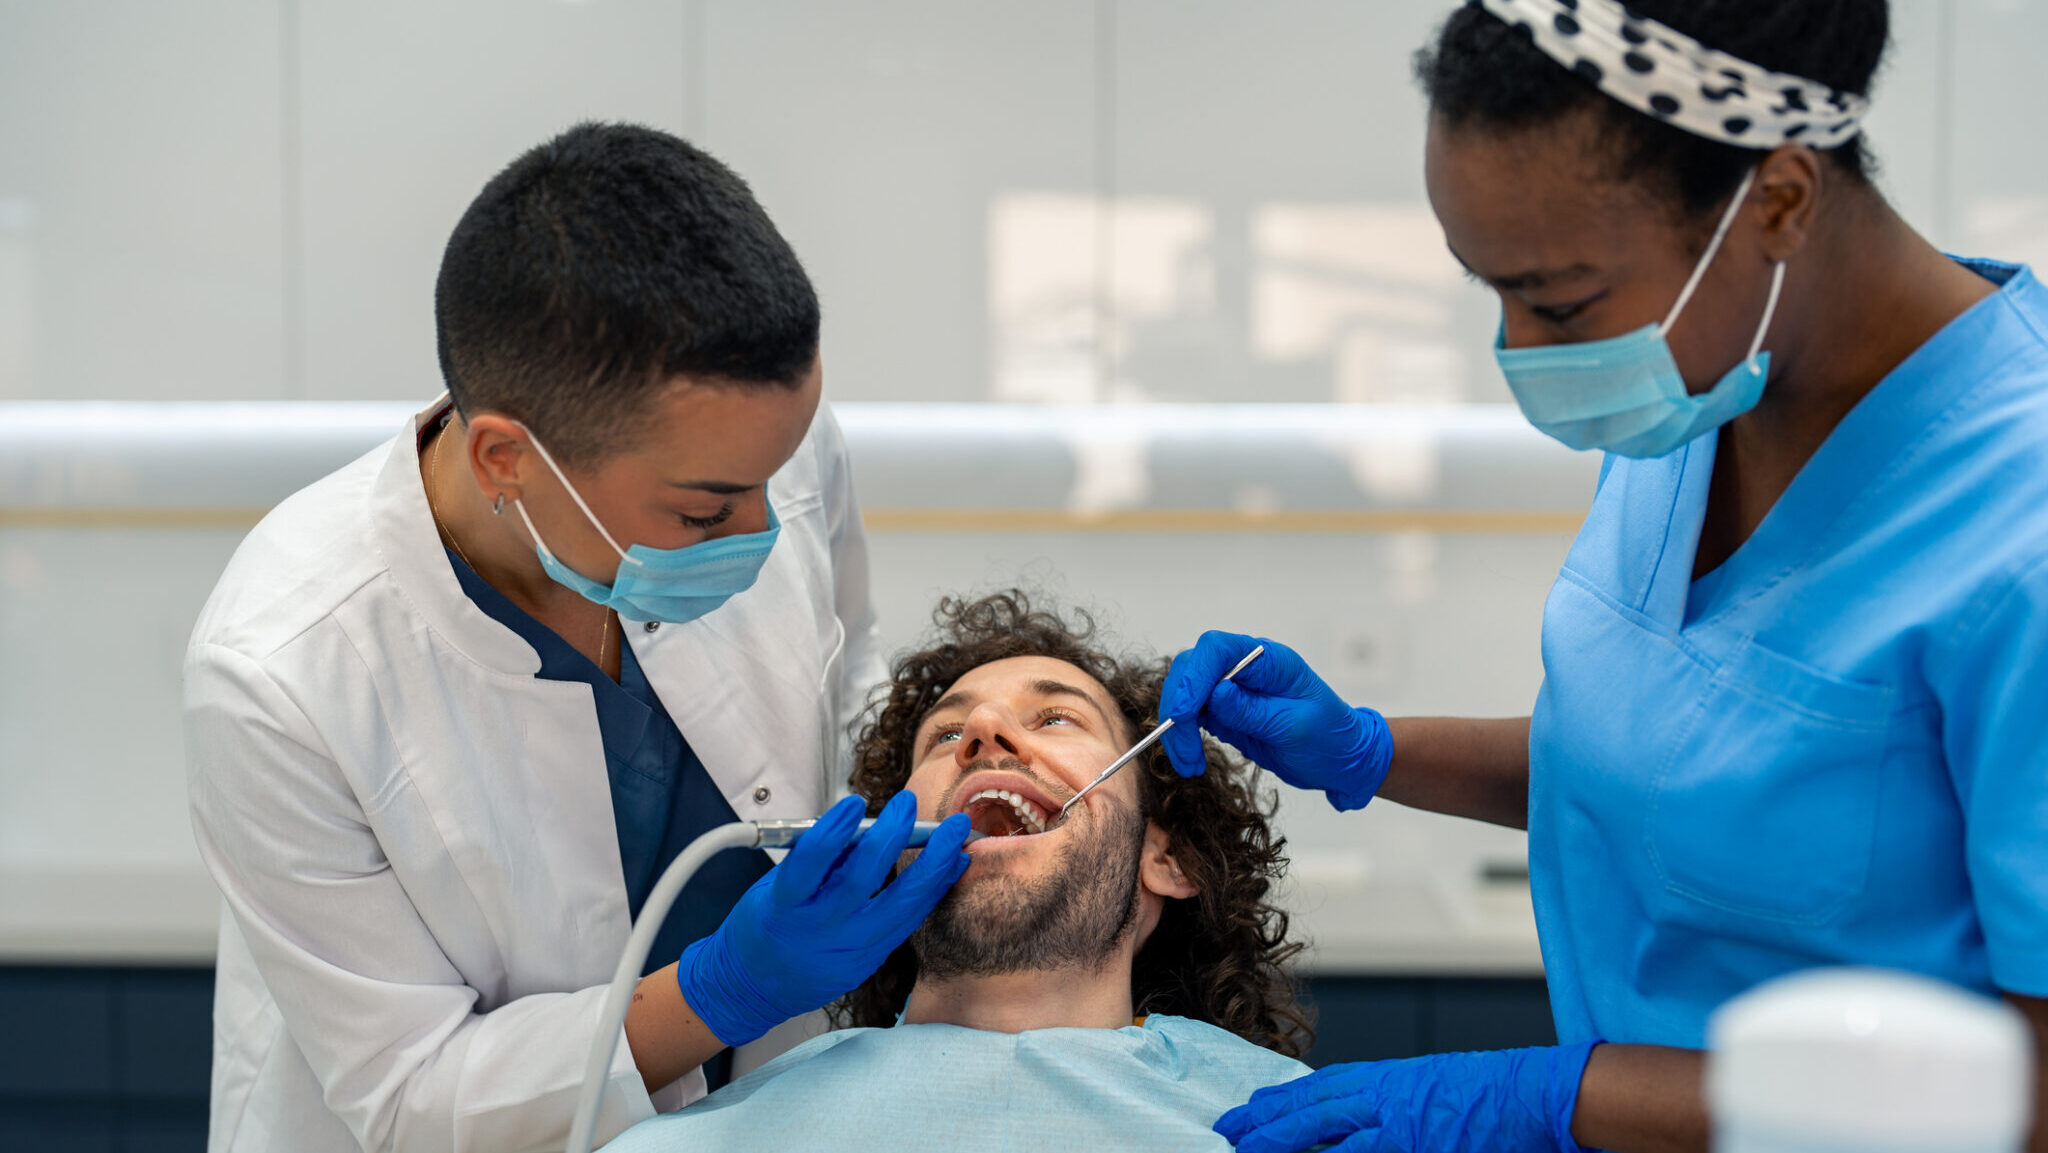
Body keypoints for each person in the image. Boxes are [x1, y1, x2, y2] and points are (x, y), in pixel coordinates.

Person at [1164, 3, 2048, 1152]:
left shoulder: (2017, 533)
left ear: (1778, 200)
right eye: (1488, 289)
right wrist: (1374, 750)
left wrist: (1560, 1098)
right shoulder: (1704, 387)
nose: (1520, 351)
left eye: (1559, 300)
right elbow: (1703, 774)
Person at [182, 122, 972, 1153]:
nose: (765, 531)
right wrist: (724, 988)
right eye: (704, 512)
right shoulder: (280, 673)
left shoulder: (744, 440)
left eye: (773, 479)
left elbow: (849, 666)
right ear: (506, 459)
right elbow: (414, 1094)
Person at [599, 591, 1313, 1151]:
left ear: (1168, 858)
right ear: (892, 849)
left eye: (1056, 718)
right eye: (945, 734)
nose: (983, 730)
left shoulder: (1294, 1124)